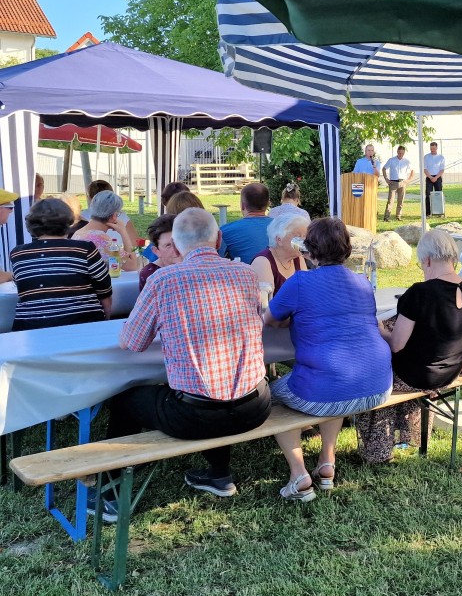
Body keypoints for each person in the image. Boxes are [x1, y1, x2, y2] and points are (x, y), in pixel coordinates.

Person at [106, 208, 270, 515]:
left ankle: (110, 493)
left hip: (194, 417)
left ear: (177, 246)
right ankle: (219, 473)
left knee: (124, 400)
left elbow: (133, 343)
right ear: (219, 239)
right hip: (255, 407)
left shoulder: (163, 280)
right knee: (219, 380)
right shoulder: (247, 274)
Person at [263, 217, 392, 502]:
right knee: (332, 381)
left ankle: (299, 474)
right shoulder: (361, 281)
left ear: (309, 249)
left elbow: (269, 318)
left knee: (267, 398)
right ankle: (326, 461)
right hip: (377, 385)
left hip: (330, 387)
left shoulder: (300, 282)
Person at [354, 230, 462, 462]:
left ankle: (377, 450)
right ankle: (408, 434)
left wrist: (380, 328)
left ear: (428, 260)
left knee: (373, 367)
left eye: (422, 263)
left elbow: (396, 346)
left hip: (418, 375)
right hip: (451, 370)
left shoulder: (420, 293)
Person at [10, 198, 112, 331]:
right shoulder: (84, 249)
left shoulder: (17, 254)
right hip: (82, 326)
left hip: (30, 329)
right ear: (68, 221)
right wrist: (106, 321)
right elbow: (105, 292)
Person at [72, 190, 142, 272]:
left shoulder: (79, 232)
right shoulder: (101, 239)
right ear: (114, 216)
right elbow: (132, 266)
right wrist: (123, 232)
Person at [250, 211, 309, 298]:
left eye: (305, 236)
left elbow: (306, 291)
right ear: (279, 239)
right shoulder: (262, 262)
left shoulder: (298, 257)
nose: (304, 241)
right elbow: (265, 304)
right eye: (298, 237)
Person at [219, 182, 271, 264]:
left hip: (246, 275)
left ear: (243, 205)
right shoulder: (283, 227)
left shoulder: (224, 231)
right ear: (268, 204)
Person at [138, 214, 180, 292]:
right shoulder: (150, 274)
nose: (176, 249)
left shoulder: (197, 266)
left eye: (179, 242)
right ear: (156, 251)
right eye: (168, 245)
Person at [382, 146, 414, 221]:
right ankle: (386, 217)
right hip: (393, 182)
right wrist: (386, 179)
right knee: (390, 200)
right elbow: (384, 168)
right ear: (397, 152)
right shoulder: (391, 160)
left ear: (404, 153)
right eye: (399, 153)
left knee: (401, 200)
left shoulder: (407, 161)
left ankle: (398, 216)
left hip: (403, 182)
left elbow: (413, 171)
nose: (401, 154)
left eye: (402, 153)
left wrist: (408, 180)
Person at [422, 141, 445, 217]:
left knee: (439, 194)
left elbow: (442, 170)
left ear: (437, 148)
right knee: (428, 195)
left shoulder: (441, 157)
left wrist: (436, 177)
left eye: (434, 148)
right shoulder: (426, 157)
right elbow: (425, 169)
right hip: (429, 177)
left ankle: (439, 212)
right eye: (431, 148)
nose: (432, 150)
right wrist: (431, 177)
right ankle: (428, 213)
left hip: (438, 178)